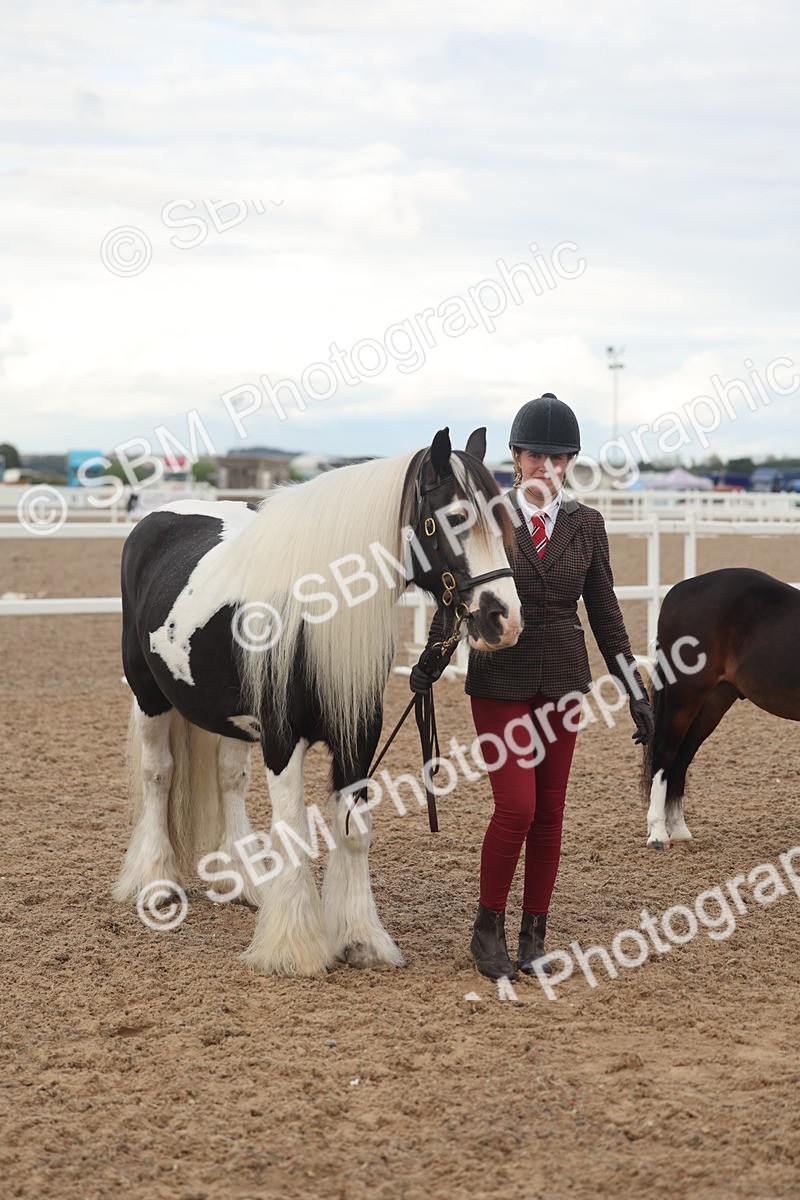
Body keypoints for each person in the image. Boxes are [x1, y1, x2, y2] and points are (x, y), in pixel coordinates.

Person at [410, 393, 654, 981]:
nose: (547, 467)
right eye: (535, 455)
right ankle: (486, 927)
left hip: (563, 682)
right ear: (516, 459)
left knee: (549, 814)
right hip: (499, 678)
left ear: (569, 463)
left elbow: (604, 613)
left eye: (559, 457)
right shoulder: (488, 518)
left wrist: (635, 687)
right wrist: (430, 663)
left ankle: (533, 933)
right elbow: (460, 593)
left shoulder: (586, 526)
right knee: (516, 806)